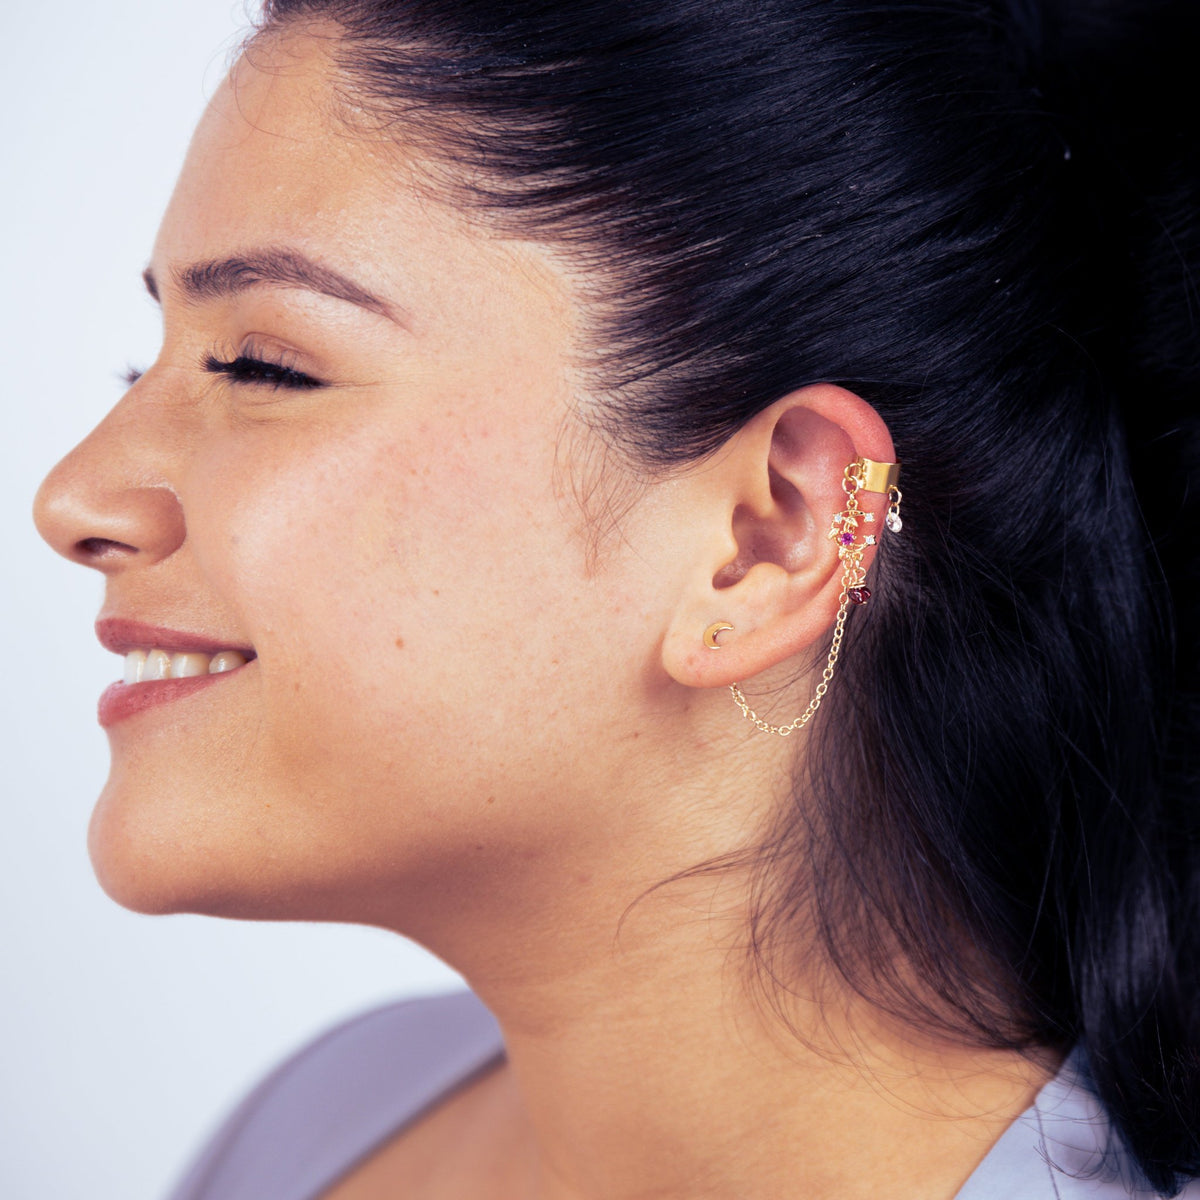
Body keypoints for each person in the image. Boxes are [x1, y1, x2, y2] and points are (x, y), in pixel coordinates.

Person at [32, 0, 1200, 1197]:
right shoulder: (316, 1124)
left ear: (774, 534)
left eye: (265, 366)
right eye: (150, 359)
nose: (72, 498)